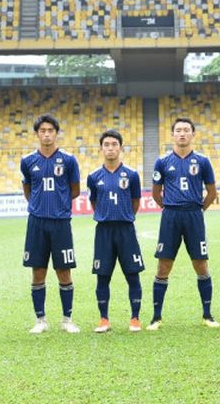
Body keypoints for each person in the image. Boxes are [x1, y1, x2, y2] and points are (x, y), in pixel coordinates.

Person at [147, 118, 219, 330]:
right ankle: (156, 317)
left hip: (193, 216)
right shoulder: (162, 162)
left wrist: (198, 210)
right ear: (172, 135)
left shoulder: (203, 161)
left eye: (186, 130)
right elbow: (155, 193)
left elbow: (212, 192)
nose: (182, 134)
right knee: (164, 265)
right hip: (170, 216)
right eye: (178, 130)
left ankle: (207, 315)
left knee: (201, 263)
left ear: (193, 134)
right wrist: (170, 208)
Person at [21, 114, 81, 333]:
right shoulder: (27, 161)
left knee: (64, 271)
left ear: (56, 133)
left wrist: (58, 205)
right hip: (36, 223)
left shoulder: (68, 160)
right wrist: (39, 205)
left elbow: (74, 190)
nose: (46, 134)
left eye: (50, 131)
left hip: (61, 223)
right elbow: (28, 189)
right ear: (37, 134)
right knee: (38, 271)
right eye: (42, 131)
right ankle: (41, 320)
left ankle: (67, 320)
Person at [87, 130, 144, 332]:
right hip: (103, 231)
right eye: (107, 144)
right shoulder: (94, 176)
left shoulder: (131, 174)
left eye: (114, 144)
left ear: (120, 147)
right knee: (102, 276)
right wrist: (106, 215)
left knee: (132, 274)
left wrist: (124, 216)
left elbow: (135, 201)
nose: (110, 148)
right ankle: (104, 320)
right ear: (101, 148)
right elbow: (94, 201)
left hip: (126, 230)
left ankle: (135, 318)